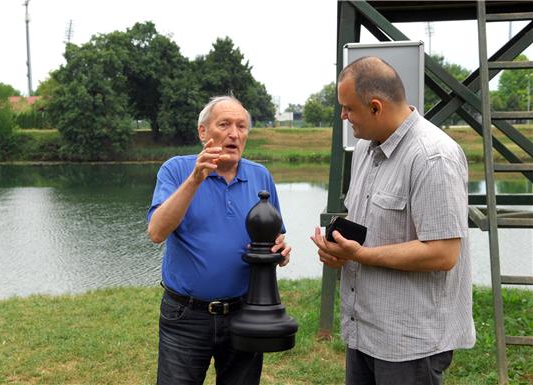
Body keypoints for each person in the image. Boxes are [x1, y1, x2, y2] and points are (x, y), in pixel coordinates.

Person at [311, 56, 475, 385]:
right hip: (365, 332)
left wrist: (361, 256)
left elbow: (442, 253)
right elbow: (368, 223)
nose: (343, 116)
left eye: (348, 108)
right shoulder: (364, 149)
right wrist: (339, 251)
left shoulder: (433, 156)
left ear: (376, 107)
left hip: (410, 343)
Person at [147, 95, 290, 385]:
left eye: (241, 126)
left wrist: (281, 250)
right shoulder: (175, 170)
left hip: (245, 312)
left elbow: (276, 236)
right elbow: (157, 232)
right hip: (185, 316)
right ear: (203, 132)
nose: (234, 134)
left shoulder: (260, 176)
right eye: (224, 124)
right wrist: (195, 179)